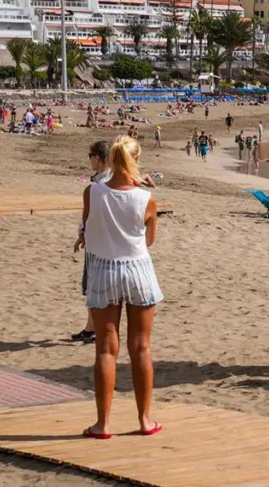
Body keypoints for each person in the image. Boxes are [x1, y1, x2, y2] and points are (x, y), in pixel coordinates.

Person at [77, 136, 162, 439]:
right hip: (138, 270)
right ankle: (144, 420)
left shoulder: (93, 192)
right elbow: (149, 240)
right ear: (136, 159)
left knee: (105, 349)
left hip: (103, 270)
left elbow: (87, 230)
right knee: (140, 348)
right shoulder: (146, 198)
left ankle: (103, 424)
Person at [72, 140, 112, 344]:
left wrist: (82, 233)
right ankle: (90, 328)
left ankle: (95, 329)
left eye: (90, 155)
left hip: (99, 243)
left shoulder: (99, 185)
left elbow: (91, 215)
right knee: (93, 286)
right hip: (102, 241)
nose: (88, 159)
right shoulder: (107, 180)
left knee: (94, 287)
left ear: (98, 158)